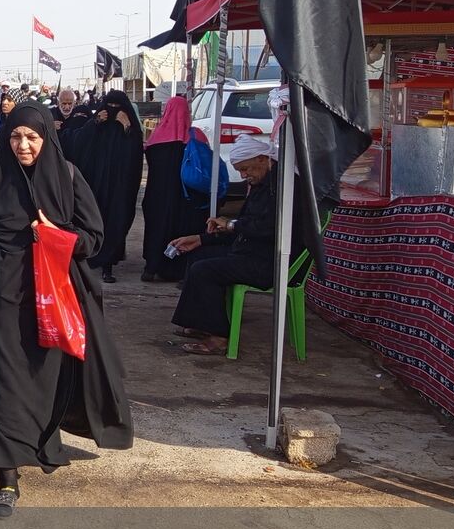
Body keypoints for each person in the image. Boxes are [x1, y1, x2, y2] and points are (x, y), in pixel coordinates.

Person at [0, 102, 132, 516]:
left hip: (47, 301)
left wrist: (57, 235)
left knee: (35, 383)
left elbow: (95, 238)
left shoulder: (67, 176)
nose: (22, 145)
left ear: (46, 137)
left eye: (31, 137)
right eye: (14, 136)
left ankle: (36, 443)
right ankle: (6, 477)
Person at [170, 135, 303, 355]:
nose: (243, 176)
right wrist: (201, 239)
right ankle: (201, 323)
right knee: (197, 256)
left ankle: (219, 336)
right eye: (240, 171)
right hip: (253, 251)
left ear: (262, 159)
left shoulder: (284, 187)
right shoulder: (264, 184)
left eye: (246, 169)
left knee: (205, 270)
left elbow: (266, 228)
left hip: (272, 261)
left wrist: (231, 225)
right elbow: (245, 227)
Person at [66, 89, 144, 283]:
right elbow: (80, 145)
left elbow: (135, 156)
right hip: (96, 185)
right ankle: (93, 256)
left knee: (115, 221)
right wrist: (95, 123)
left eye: (118, 107)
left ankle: (108, 264)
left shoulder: (129, 127)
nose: (113, 111)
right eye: (110, 106)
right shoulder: (97, 124)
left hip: (119, 187)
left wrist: (126, 126)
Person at [140, 95, 205, 283]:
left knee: (156, 229)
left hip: (157, 197)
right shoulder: (196, 136)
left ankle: (152, 266)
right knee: (184, 230)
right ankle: (180, 270)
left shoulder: (155, 139)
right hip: (187, 196)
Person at [51, 87, 92, 155]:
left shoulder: (80, 114)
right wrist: (50, 126)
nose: (67, 107)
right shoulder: (51, 114)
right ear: (58, 103)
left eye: (70, 104)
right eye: (64, 103)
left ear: (74, 103)